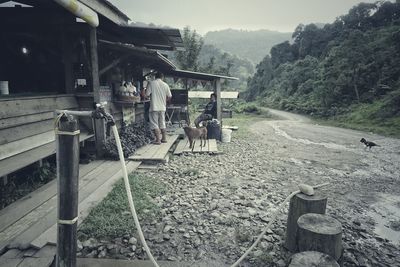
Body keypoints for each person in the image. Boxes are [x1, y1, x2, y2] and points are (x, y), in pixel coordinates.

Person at [145, 72, 172, 144]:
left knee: (154, 123)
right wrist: (164, 101)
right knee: (162, 123)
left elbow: (146, 95)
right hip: (162, 107)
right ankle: (164, 138)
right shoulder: (165, 85)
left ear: (155, 77)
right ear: (162, 77)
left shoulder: (151, 83)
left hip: (154, 107)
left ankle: (158, 140)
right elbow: (169, 96)